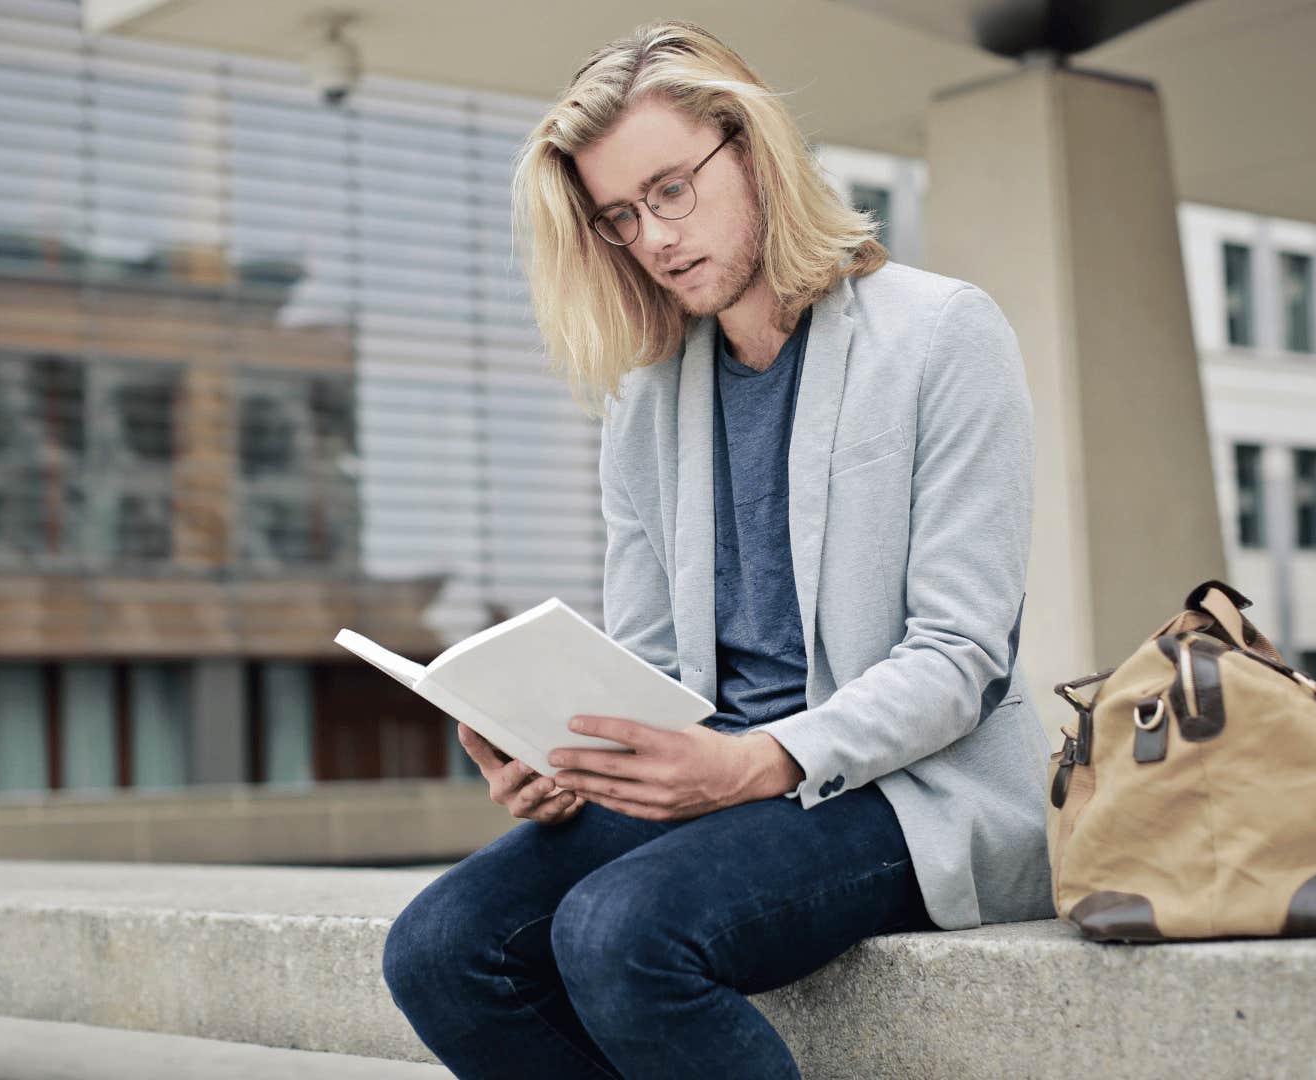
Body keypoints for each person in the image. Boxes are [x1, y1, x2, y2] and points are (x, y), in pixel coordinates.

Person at [382, 19, 1053, 1079]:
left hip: (903, 787)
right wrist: (568, 757)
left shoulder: (941, 334)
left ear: (750, 150)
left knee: (621, 932)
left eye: (670, 192)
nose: (652, 237)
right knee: (438, 952)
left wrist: (758, 760)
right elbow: (651, 665)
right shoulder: (648, 402)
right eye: (619, 217)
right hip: (712, 775)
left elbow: (962, 658)